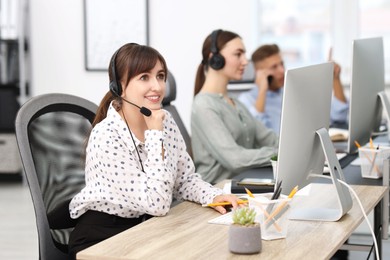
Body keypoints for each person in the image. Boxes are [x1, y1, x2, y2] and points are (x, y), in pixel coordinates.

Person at [68, 43, 240, 258]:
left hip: (144, 228)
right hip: (101, 239)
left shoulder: (164, 121)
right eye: (144, 77)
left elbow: (184, 180)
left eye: (160, 76)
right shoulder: (107, 135)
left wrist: (214, 196)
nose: (157, 87)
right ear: (118, 86)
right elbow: (156, 203)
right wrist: (154, 134)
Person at [191, 29, 279, 184]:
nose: (245, 61)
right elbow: (236, 159)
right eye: (238, 54)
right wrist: (281, 153)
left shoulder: (235, 103)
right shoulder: (203, 105)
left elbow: (268, 138)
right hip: (216, 192)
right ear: (215, 59)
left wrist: (302, 148)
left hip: (241, 182)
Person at [238, 44, 349, 134]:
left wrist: (335, 79)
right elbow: (258, 134)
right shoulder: (246, 99)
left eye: (282, 64)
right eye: (274, 67)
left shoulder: (295, 91)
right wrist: (262, 90)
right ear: (259, 72)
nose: (282, 70)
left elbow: (338, 116)